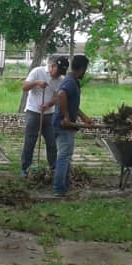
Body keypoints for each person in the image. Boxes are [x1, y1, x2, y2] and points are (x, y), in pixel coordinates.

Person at [51, 55, 94, 196]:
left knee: (66, 156)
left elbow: (72, 105)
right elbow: (61, 95)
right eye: (85, 69)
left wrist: (84, 118)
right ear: (82, 68)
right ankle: (59, 189)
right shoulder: (70, 82)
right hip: (63, 125)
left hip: (63, 124)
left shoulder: (72, 81)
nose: (85, 72)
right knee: (64, 156)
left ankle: (64, 186)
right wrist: (66, 117)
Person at [20, 55, 69, 178]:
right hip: (32, 112)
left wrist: (47, 104)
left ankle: (53, 167)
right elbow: (24, 87)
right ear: (52, 66)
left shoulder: (61, 79)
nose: (58, 75)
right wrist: (36, 82)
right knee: (30, 141)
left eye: (61, 73)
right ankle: (25, 168)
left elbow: (56, 96)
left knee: (52, 142)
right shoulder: (37, 71)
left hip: (49, 114)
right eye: (58, 71)